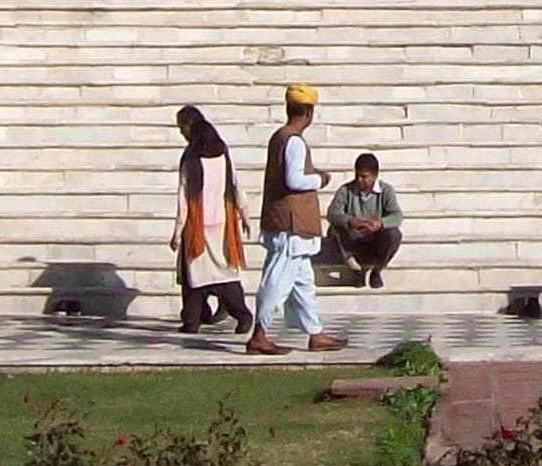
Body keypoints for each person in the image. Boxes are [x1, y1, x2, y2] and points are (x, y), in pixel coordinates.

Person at [251, 85, 344, 354]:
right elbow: (294, 180)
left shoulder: (280, 137)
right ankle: (259, 333)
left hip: (292, 226)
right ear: (309, 111)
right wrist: (320, 179)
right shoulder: (293, 140)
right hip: (290, 226)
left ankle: (315, 333)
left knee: (304, 284)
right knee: (277, 282)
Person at [169, 106, 252, 336]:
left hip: (197, 226)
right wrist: (244, 214)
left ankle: (192, 321)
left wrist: (177, 232)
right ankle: (241, 315)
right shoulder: (222, 152)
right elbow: (236, 185)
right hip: (223, 224)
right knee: (224, 273)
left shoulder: (190, 156)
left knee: (194, 276)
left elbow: (184, 198)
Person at [323, 152, 405, 287]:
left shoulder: (386, 191)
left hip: (374, 241)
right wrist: (350, 221)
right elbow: (332, 213)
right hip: (353, 240)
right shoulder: (345, 190)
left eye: (364, 177)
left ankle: (377, 270)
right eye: (358, 176)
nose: (360, 180)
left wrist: (380, 224)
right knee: (334, 230)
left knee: (394, 234)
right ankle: (356, 269)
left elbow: (397, 216)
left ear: (375, 175)